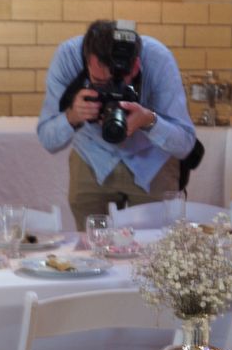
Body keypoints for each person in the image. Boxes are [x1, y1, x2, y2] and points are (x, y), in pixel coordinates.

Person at [37, 19, 196, 229]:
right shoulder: (68, 56)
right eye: (100, 83)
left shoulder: (158, 59)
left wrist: (149, 121)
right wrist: (73, 116)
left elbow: (185, 144)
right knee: (91, 250)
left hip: (152, 162)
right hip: (91, 158)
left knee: (156, 249)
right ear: (86, 62)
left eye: (121, 84)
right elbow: (48, 139)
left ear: (137, 64)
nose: (111, 91)